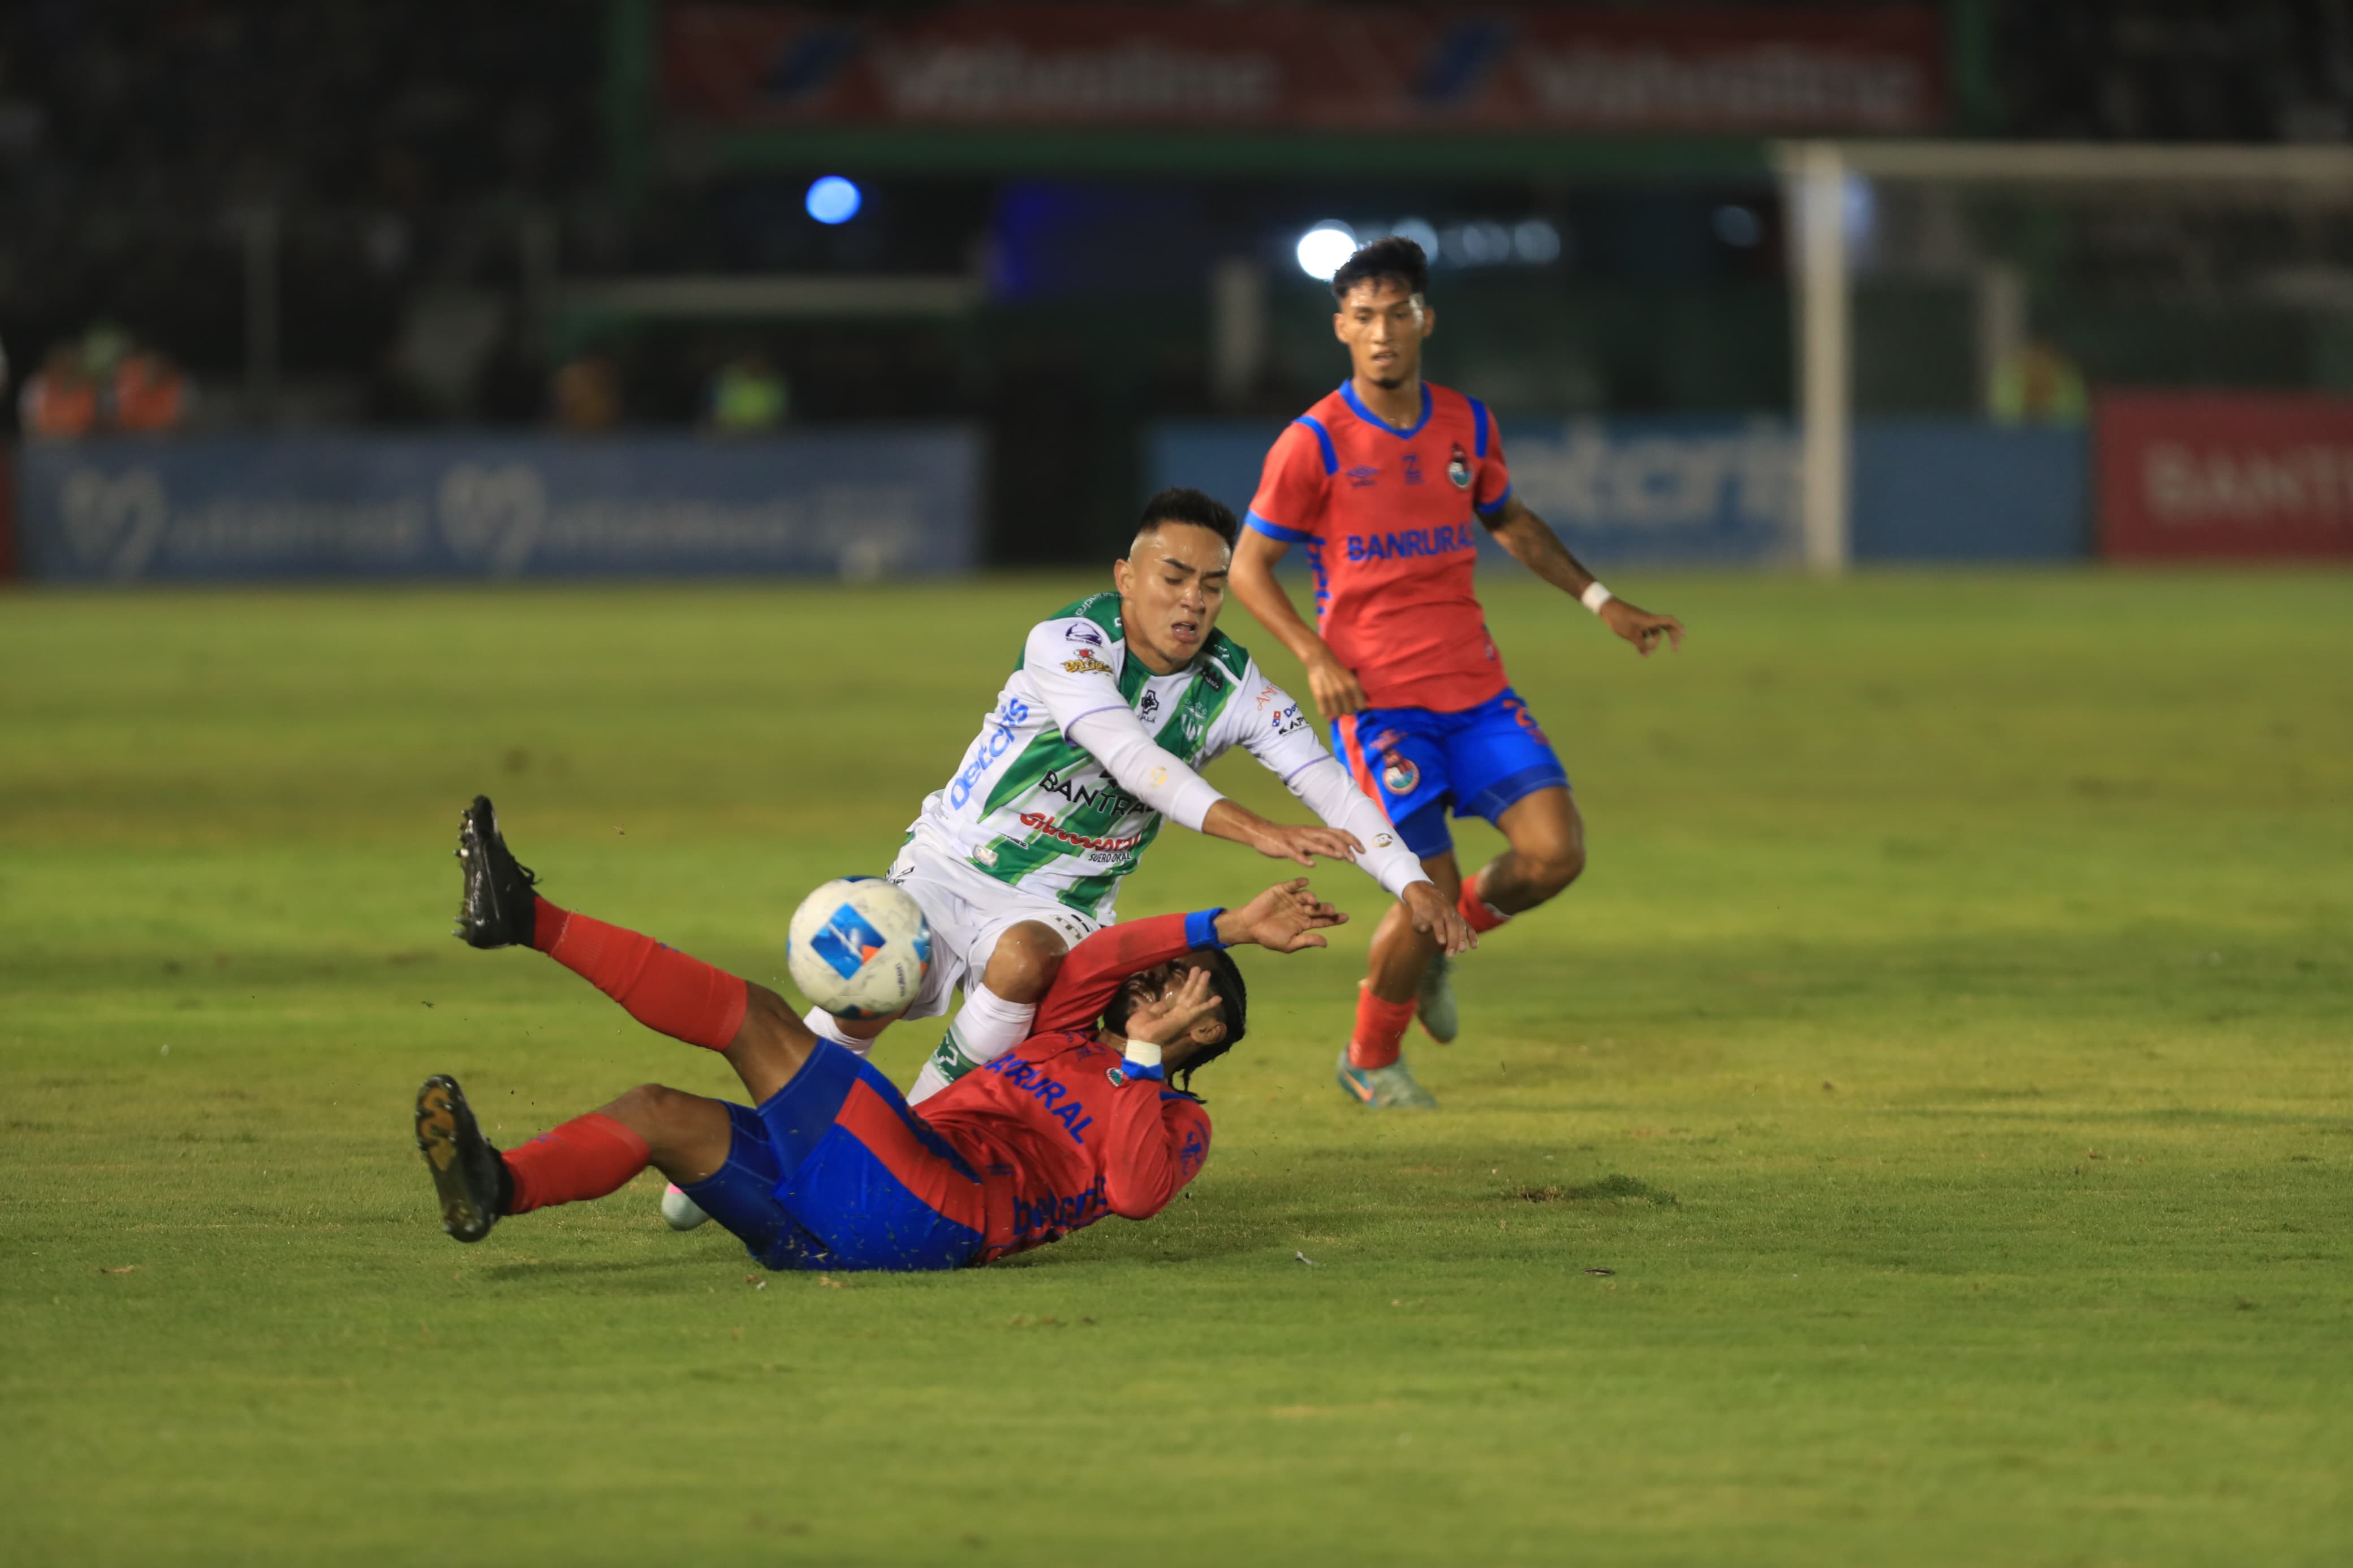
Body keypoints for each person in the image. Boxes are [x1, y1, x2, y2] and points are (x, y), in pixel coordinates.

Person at [422, 796, 1348, 1271]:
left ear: (1211, 1025)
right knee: (660, 1112)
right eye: (1151, 982)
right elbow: (1104, 951)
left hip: (931, 1204)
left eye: (1176, 988)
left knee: (755, 1019)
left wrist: (1148, 1057)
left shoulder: (1180, 1120)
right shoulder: (1070, 1035)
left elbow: (1139, 1194)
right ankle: (496, 1185)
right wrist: (1220, 927)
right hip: (844, 1223)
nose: (1145, 988)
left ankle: (528, 917)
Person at [820, 485, 1473, 1108]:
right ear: (1126, 578)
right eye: (1174, 577)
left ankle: (914, 1134)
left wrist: (1410, 882)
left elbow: (1330, 785)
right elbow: (1131, 759)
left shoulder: (1233, 686)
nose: (1192, 600)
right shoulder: (1069, 642)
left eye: (1211, 586)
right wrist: (1255, 830)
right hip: (949, 860)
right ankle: (772, 1137)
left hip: (1063, 904)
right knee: (866, 990)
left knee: (1023, 961)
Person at [1227, 237, 1686, 1111]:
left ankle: (1436, 945)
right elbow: (1249, 567)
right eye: (1363, 316)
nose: (1382, 332)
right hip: (1378, 704)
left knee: (1555, 855)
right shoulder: (1313, 443)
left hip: (1474, 689)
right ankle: (1369, 1058)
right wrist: (1316, 658)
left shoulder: (1465, 425)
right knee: (1424, 893)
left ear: (1425, 319)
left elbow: (1509, 520)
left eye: (1398, 313)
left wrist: (1602, 600)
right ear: (1341, 329)